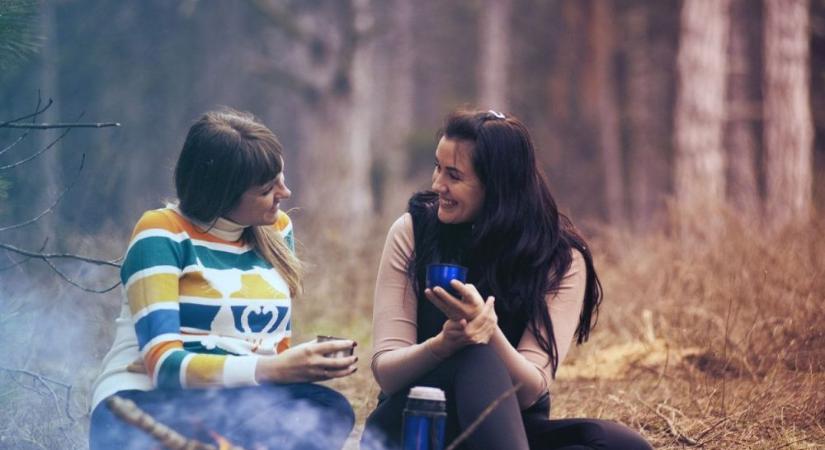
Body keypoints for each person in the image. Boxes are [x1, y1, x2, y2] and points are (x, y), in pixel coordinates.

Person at [361, 109, 653, 449]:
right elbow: (387, 372)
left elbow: (531, 390)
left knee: (623, 444)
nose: (437, 185)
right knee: (474, 355)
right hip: (415, 428)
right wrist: (444, 345)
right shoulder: (413, 232)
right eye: (438, 167)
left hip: (510, 430)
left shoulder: (560, 258)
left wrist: (489, 331)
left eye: (454, 175)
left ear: (498, 187)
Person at [89, 109, 357, 450]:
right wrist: (272, 369)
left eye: (281, 177)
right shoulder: (162, 233)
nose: (285, 192)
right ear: (220, 194)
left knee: (328, 409)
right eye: (266, 188)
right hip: (145, 402)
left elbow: (274, 344)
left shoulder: (276, 230)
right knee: (202, 429)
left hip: (237, 403)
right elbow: (166, 370)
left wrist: (297, 367)